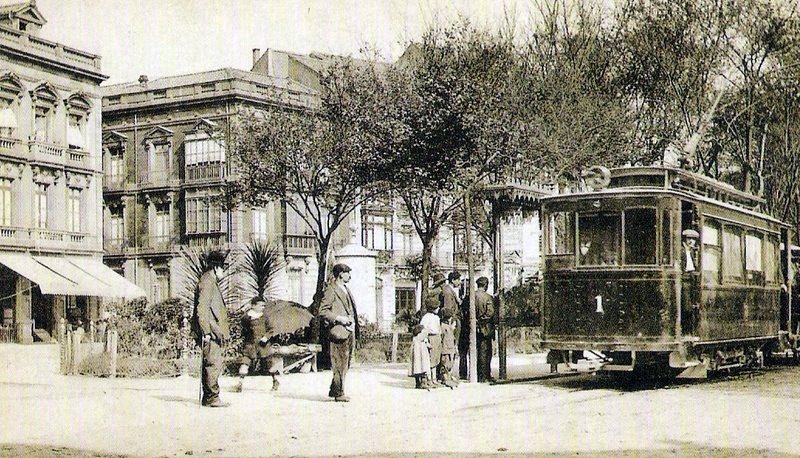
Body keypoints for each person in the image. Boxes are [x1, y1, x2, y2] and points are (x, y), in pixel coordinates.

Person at [191, 250, 230, 408]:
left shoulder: (209, 281)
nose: (223, 272)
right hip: (211, 332)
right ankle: (212, 397)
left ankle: (210, 397)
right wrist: (206, 331)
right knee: (212, 364)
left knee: (212, 363)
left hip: (212, 331)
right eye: (222, 269)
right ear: (215, 268)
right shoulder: (207, 282)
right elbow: (202, 309)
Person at [318, 263, 359, 402]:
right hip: (338, 332)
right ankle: (339, 393)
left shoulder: (346, 289)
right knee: (339, 363)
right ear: (341, 274)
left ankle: (335, 389)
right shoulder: (331, 290)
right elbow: (322, 311)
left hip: (349, 331)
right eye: (348, 273)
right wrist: (339, 319)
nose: (350, 276)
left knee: (345, 363)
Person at [235, 299, 280, 393]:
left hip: (263, 344)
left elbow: (271, 329)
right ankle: (240, 383)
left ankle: (275, 380)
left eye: (264, 306)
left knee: (269, 363)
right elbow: (243, 328)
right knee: (245, 362)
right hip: (250, 344)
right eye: (260, 305)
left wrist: (266, 337)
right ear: (253, 305)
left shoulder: (265, 317)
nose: (262, 308)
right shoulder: (246, 317)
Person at [475, 277, 496, 382]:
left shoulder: (471, 296)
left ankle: (478, 374)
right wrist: (481, 320)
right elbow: (490, 312)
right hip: (485, 328)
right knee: (486, 352)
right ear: (485, 285)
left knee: (477, 352)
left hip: (474, 328)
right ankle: (484, 375)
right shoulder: (488, 297)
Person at [420, 302, 442, 386]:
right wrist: (426, 340)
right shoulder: (426, 317)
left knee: (436, 358)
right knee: (431, 359)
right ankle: (429, 378)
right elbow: (423, 329)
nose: (438, 309)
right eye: (437, 307)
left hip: (437, 337)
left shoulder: (436, 317)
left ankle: (434, 378)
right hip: (431, 337)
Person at [439, 309, 459, 389]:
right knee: (445, 364)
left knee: (450, 363)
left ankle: (449, 377)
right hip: (445, 348)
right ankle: (446, 378)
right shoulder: (443, 327)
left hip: (450, 348)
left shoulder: (447, 326)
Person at [408, 324, 432, 390]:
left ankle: (418, 383)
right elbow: (428, 343)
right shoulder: (421, 338)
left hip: (417, 356)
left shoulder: (415, 339)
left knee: (417, 368)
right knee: (423, 367)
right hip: (422, 355)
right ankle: (423, 382)